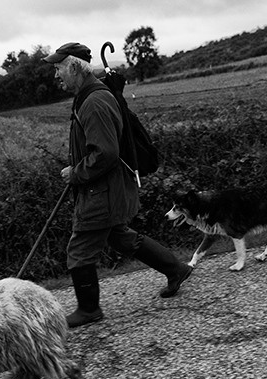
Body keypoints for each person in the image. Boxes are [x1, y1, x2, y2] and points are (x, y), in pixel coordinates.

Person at [43, 42, 192, 328]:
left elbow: (105, 153)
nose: (56, 75)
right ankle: (176, 269)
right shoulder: (88, 96)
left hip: (101, 191)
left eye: (59, 68)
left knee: (80, 250)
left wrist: (75, 173)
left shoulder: (95, 102)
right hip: (107, 189)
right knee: (120, 236)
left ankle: (88, 310)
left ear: (74, 66)